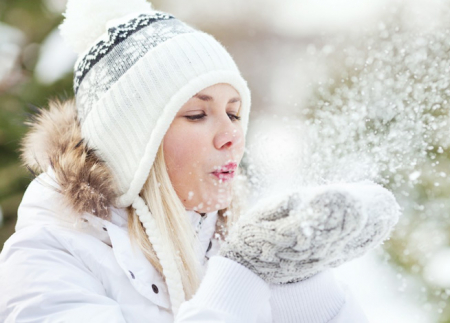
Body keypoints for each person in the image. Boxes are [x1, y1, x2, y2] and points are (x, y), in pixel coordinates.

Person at [0, 0, 400, 322]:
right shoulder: (46, 260)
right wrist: (240, 275)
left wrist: (299, 281)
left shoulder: (221, 238)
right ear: (133, 142)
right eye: (196, 114)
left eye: (234, 113)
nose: (231, 136)